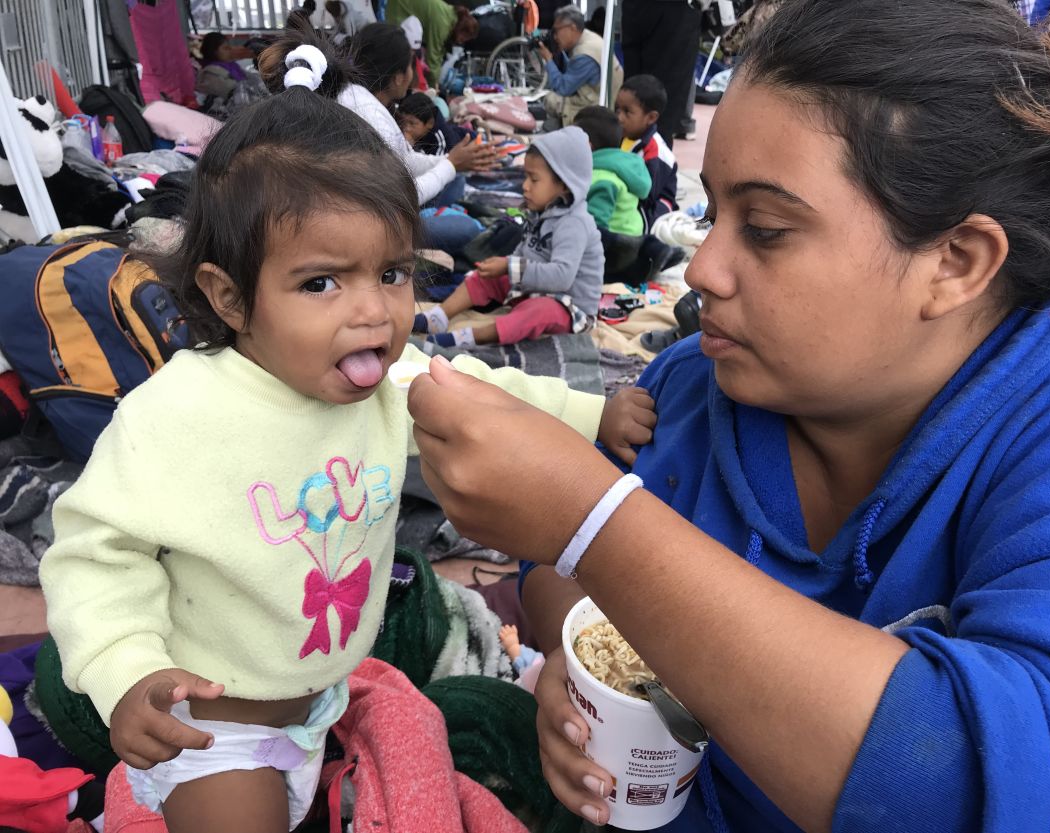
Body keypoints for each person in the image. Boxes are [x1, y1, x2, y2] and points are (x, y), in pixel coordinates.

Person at [404, 1, 1050, 831]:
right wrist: (576, 662)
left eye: (767, 228)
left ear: (956, 262)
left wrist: (596, 520)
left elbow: (1036, 787)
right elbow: (562, 577)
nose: (703, 267)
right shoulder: (688, 387)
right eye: (712, 214)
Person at [38, 31, 652, 833]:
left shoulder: (382, 387)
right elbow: (93, 549)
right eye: (321, 282)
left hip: (322, 695)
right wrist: (126, 673)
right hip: (216, 721)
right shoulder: (177, 417)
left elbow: (476, 393)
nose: (373, 310)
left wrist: (592, 412)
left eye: (392, 273)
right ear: (228, 298)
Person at [412, 126, 604, 348]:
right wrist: (502, 268)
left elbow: (562, 277)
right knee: (485, 276)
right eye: (525, 177)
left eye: (534, 179)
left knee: (539, 311)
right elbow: (525, 250)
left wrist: (509, 266)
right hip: (535, 287)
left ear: (564, 184)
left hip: (569, 306)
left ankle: (469, 337)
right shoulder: (542, 212)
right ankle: (438, 317)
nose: (524, 186)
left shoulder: (574, 223)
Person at [337, 24, 495, 245]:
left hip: (380, 206)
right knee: (466, 229)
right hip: (374, 224)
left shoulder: (361, 98)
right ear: (398, 78)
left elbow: (405, 161)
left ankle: (445, 209)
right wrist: (450, 165)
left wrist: (454, 161)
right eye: (411, 67)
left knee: (456, 180)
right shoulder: (368, 113)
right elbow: (402, 196)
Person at [620, 0, 700, 146]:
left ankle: (632, 155)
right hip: (676, 12)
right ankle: (653, 160)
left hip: (641, 9)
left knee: (633, 90)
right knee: (664, 100)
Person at [540, 5, 622, 129]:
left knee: (550, 99)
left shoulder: (584, 53)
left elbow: (562, 88)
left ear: (572, 28)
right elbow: (572, 72)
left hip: (596, 107)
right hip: (601, 97)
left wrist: (548, 60)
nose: (555, 37)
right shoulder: (588, 37)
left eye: (557, 31)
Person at [574, 105, 651, 236]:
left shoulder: (602, 180)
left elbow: (595, 228)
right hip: (633, 236)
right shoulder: (622, 166)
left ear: (587, 145)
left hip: (616, 247)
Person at [616, 74, 678, 229]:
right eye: (617, 109)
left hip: (655, 206)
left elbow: (647, 194)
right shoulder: (622, 135)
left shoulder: (655, 152)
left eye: (627, 112)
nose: (619, 118)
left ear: (650, 118)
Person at [385, 0, 478, 83]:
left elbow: (440, 51)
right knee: (400, 59)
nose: (460, 42)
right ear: (461, 29)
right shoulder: (442, 24)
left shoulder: (450, 16)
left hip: (400, 5)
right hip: (400, 9)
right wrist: (434, 85)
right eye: (462, 38)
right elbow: (432, 59)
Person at [196, 32, 246, 99]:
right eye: (225, 48)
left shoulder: (232, 65)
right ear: (213, 51)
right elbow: (235, 91)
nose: (230, 51)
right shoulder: (211, 72)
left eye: (229, 47)